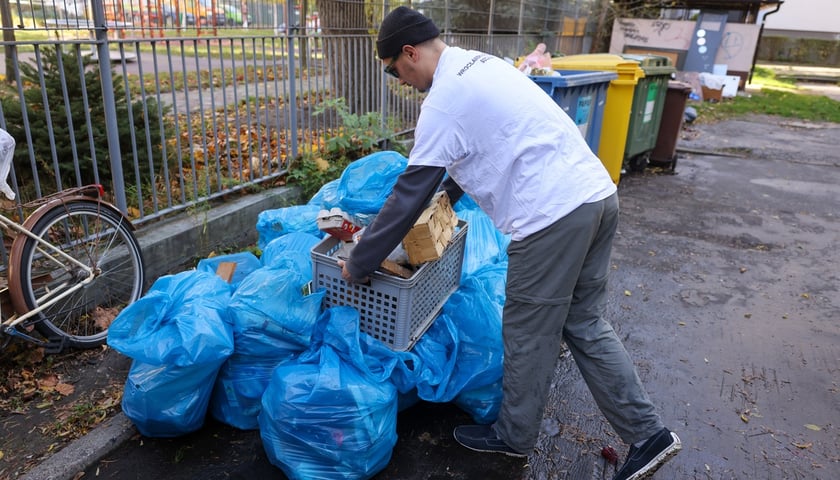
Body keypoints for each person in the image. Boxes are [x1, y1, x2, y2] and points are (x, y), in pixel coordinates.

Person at [337, 6, 681, 480]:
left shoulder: (443, 100)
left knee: (527, 332)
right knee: (583, 322)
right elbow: (477, 147)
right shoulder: (480, 64)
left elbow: (406, 196)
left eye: (397, 69)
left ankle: (513, 437)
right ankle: (649, 436)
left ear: (410, 52)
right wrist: (447, 202)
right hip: (596, 197)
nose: (400, 80)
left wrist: (360, 262)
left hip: (552, 218)